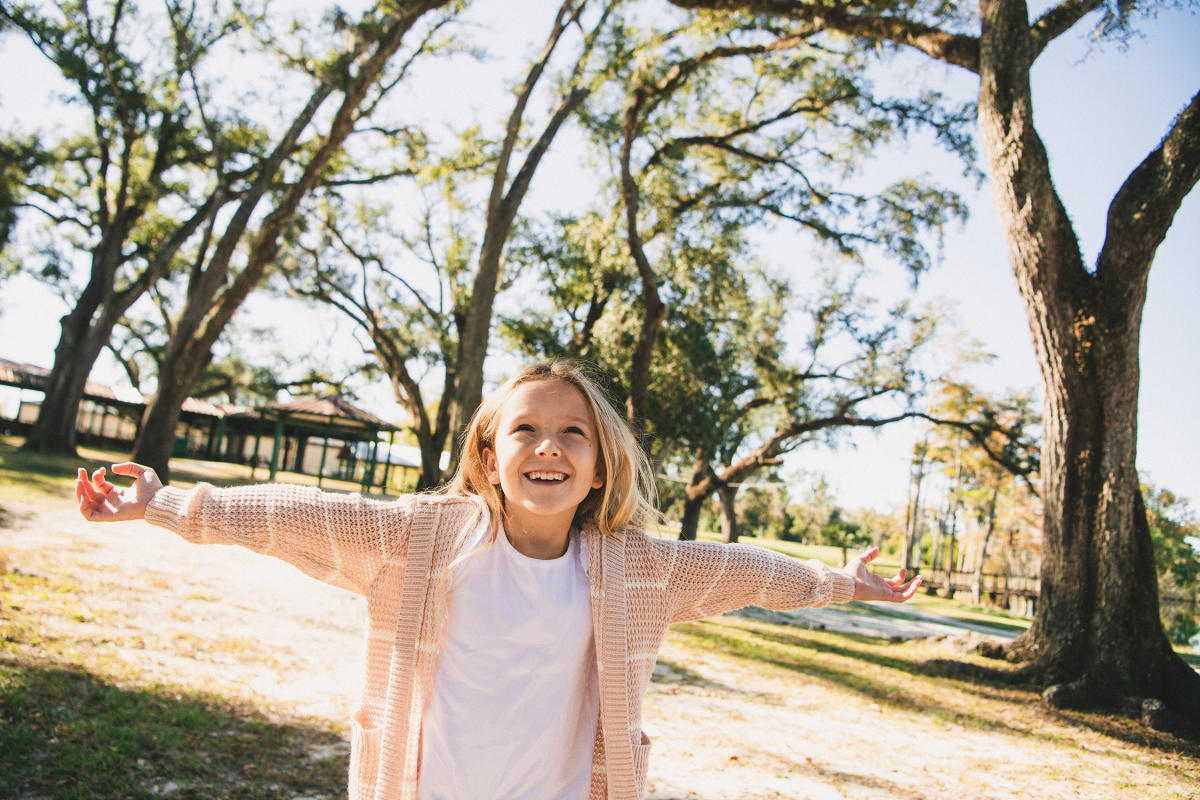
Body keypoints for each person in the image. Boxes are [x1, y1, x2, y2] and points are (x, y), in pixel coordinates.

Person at [76, 361, 921, 800]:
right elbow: (297, 515)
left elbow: (748, 572)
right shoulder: (422, 538)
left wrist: (839, 582)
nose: (548, 447)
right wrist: (165, 504)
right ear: (488, 456)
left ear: (599, 470)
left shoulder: (638, 569)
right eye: (525, 430)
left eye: (572, 435)